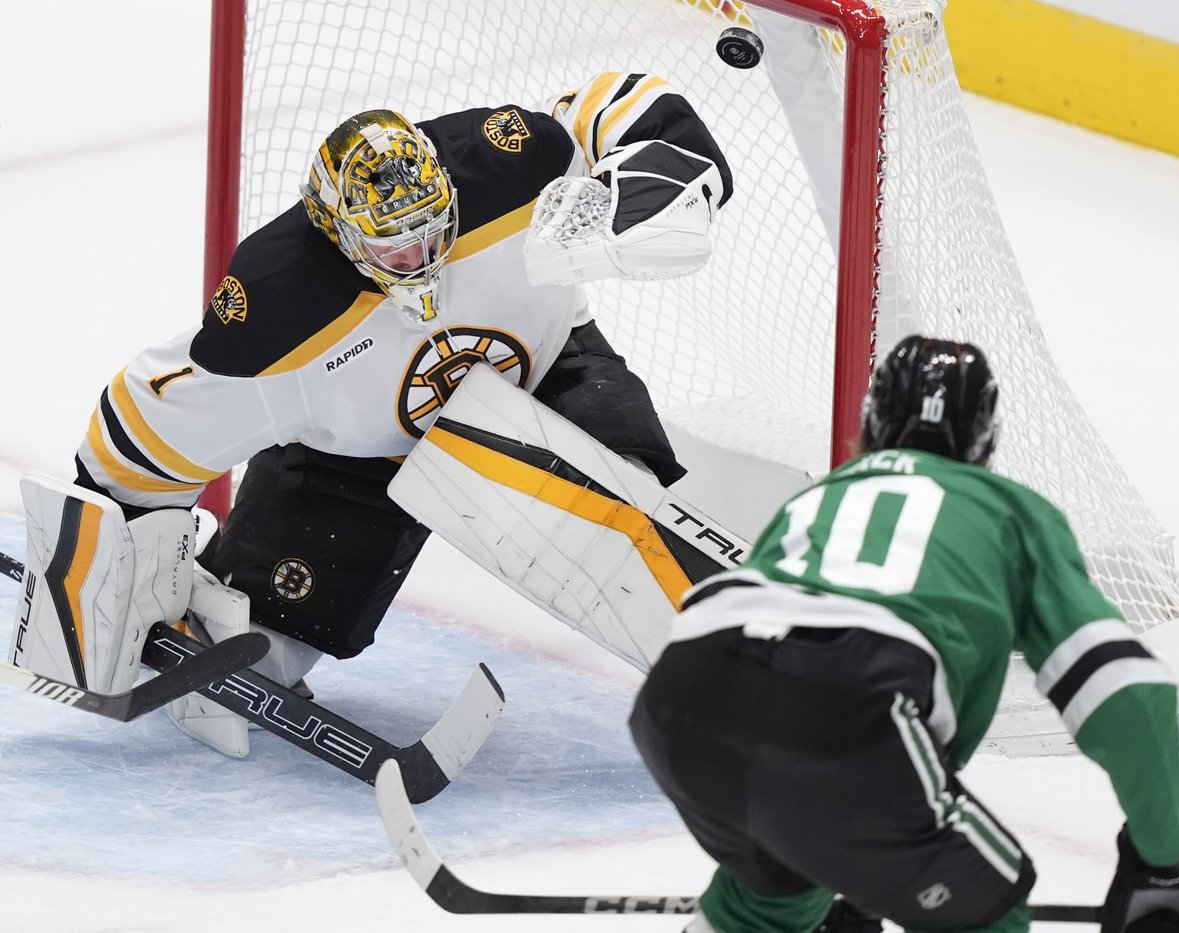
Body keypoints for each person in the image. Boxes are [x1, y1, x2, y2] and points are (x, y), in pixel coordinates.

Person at [10, 71, 731, 749]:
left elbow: (622, 100)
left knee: (624, 499)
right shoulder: (285, 309)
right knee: (264, 647)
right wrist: (115, 555)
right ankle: (233, 606)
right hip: (359, 458)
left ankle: (735, 663)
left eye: (431, 229)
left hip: (546, 370)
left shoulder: (509, 166)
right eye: (395, 245)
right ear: (341, 233)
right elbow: (146, 425)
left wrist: (654, 178)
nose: (420, 255)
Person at [628, 336, 1179, 933]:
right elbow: (1125, 692)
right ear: (985, 444)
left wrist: (855, 872)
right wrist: (1164, 861)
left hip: (682, 699)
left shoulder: (823, 497)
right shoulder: (1012, 512)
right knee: (985, 909)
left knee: (770, 903)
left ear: (869, 428)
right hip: (851, 702)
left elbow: (780, 700)